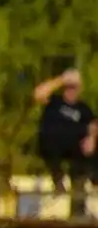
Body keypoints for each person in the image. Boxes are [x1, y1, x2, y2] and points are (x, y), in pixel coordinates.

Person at [32, 70, 96, 217]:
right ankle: (58, 179)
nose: (71, 91)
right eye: (68, 87)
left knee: (85, 159)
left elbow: (93, 125)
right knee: (48, 137)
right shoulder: (55, 101)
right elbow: (38, 94)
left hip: (75, 147)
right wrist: (61, 79)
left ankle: (79, 208)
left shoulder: (83, 109)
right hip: (54, 144)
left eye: (74, 88)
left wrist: (91, 138)